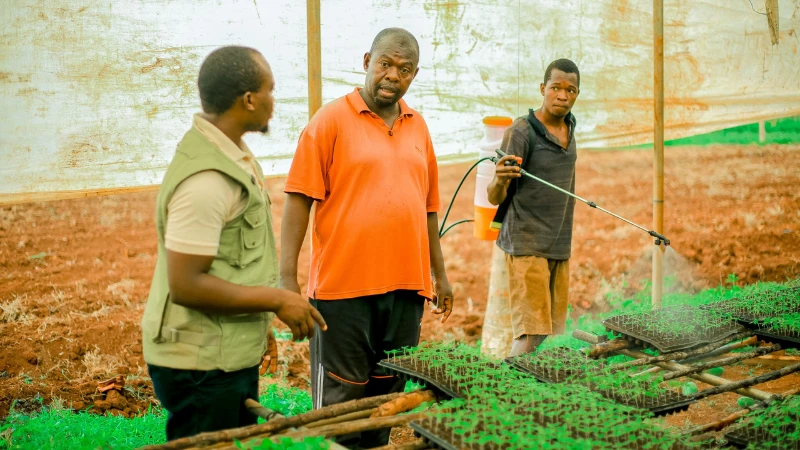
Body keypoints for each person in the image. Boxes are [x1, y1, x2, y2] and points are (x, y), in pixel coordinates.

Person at [141, 46, 326, 441]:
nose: (273, 103)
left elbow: (232, 263)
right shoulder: (206, 181)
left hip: (220, 354)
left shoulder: (234, 157)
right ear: (248, 99)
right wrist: (277, 300)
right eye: (270, 91)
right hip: (200, 365)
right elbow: (188, 284)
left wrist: (254, 335)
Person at [280, 28, 454, 447]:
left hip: (406, 290)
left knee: (384, 399)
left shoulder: (418, 127)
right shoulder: (330, 121)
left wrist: (439, 275)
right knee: (340, 401)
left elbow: (427, 207)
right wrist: (286, 279)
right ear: (366, 62)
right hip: (344, 291)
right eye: (386, 64)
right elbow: (299, 199)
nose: (393, 75)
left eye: (405, 69)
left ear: (414, 75)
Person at [487, 58, 581, 357]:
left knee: (548, 329)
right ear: (543, 88)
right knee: (531, 331)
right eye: (556, 88)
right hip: (527, 242)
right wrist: (501, 179)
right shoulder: (522, 131)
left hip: (559, 243)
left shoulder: (570, 126)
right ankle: (505, 390)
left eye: (571, 90)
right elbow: (494, 196)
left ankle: (525, 389)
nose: (563, 96)